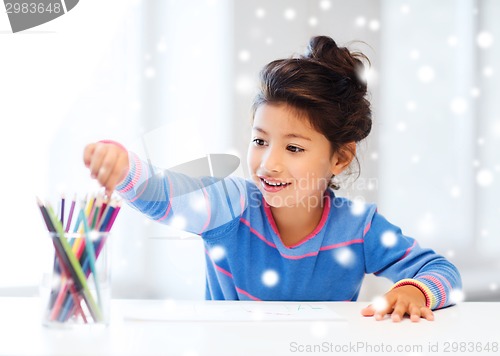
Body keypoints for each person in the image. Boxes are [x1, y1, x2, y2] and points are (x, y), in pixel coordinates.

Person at [83, 36, 461, 322]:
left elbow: (444, 274)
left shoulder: (359, 229)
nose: (268, 163)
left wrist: (416, 290)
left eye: (293, 148)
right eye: (260, 141)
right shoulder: (228, 206)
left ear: (340, 157)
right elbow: (166, 193)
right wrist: (126, 170)